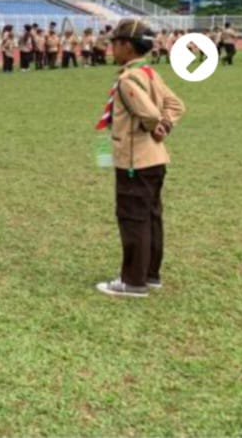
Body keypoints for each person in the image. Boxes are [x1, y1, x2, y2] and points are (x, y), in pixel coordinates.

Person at [95, 18, 185, 298]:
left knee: (133, 217)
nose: (112, 49)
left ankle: (133, 281)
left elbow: (147, 113)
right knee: (150, 216)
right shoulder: (149, 72)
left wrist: (156, 125)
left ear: (126, 46)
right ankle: (150, 273)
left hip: (136, 160)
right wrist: (166, 125)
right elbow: (176, 104)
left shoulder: (129, 79)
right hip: (155, 159)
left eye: (115, 44)